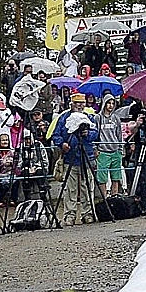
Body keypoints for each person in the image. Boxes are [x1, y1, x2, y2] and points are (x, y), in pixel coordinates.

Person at [51, 93, 98, 225]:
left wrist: (87, 134)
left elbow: (96, 134)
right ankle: (69, 215)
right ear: (71, 104)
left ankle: (87, 213)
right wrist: (62, 144)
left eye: (82, 103)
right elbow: (56, 135)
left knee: (87, 187)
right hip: (70, 157)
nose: (80, 106)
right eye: (77, 103)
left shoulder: (89, 118)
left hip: (86, 156)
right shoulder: (64, 118)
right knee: (70, 189)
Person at [94, 93, 124, 198]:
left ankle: (114, 198)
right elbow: (95, 134)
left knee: (116, 177)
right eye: (108, 103)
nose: (110, 105)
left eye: (112, 103)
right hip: (103, 151)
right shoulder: (98, 118)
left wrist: (120, 149)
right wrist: (95, 149)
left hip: (115, 151)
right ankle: (104, 199)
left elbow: (119, 135)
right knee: (102, 178)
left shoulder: (116, 118)